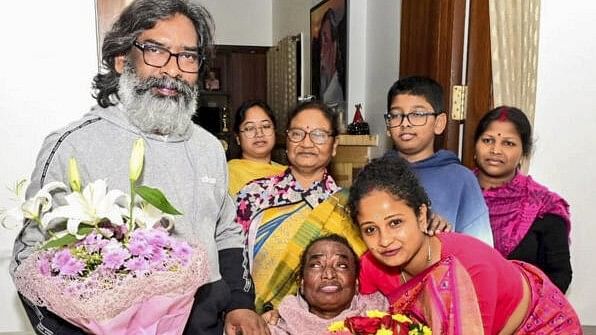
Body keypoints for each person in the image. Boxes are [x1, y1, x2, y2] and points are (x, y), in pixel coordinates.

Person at [9, 1, 268, 334]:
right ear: (121, 59)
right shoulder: (72, 146)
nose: (173, 70)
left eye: (188, 56)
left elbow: (226, 233)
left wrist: (240, 305)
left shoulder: (209, 148)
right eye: (156, 50)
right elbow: (31, 260)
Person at [347, 155, 581, 334]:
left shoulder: (468, 269)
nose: (385, 240)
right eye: (370, 229)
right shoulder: (371, 266)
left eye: (395, 223)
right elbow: (368, 324)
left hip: (541, 325)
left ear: (421, 216)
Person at [235, 101, 367, 313]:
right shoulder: (254, 194)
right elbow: (233, 260)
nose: (306, 143)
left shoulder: (349, 206)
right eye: (297, 134)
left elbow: (361, 275)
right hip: (257, 320)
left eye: (319, 135)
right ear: (286, 141)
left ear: (334, 145)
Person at [384, 75, 493, 246]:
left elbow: (480, 251)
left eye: (418, 114)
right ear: (388, 125)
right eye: (396, 115)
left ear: (439, 123)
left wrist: (445, 237)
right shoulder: (374, 175)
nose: (405, 123)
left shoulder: (461, 180)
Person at [473, 106, 572, 293]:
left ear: (524, 153)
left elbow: (560, 276)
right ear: (475, 146)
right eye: (488, 140)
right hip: (454, 312)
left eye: (508, 143)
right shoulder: (455, 194)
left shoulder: (544, 207)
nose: (495, 150)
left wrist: (519, 308)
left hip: (525, 315)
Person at [268, 234, 388, 335]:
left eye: (341, 265)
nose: (329, 274)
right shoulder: (274, 329)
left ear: (356, 283)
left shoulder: (386, 319)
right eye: (316, 265)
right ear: (302, 283)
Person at [228, 99, 286, 196]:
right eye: (250, 128)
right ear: (238, 138)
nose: (259, 134)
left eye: (266, 126)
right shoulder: (227, 175)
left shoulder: (287, 175)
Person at [318, 8, 344, 104]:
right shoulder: (322, 82)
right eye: (321, 42)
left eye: (326, 40)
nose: (321, 52)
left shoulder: (339, 89)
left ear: (335, 46)